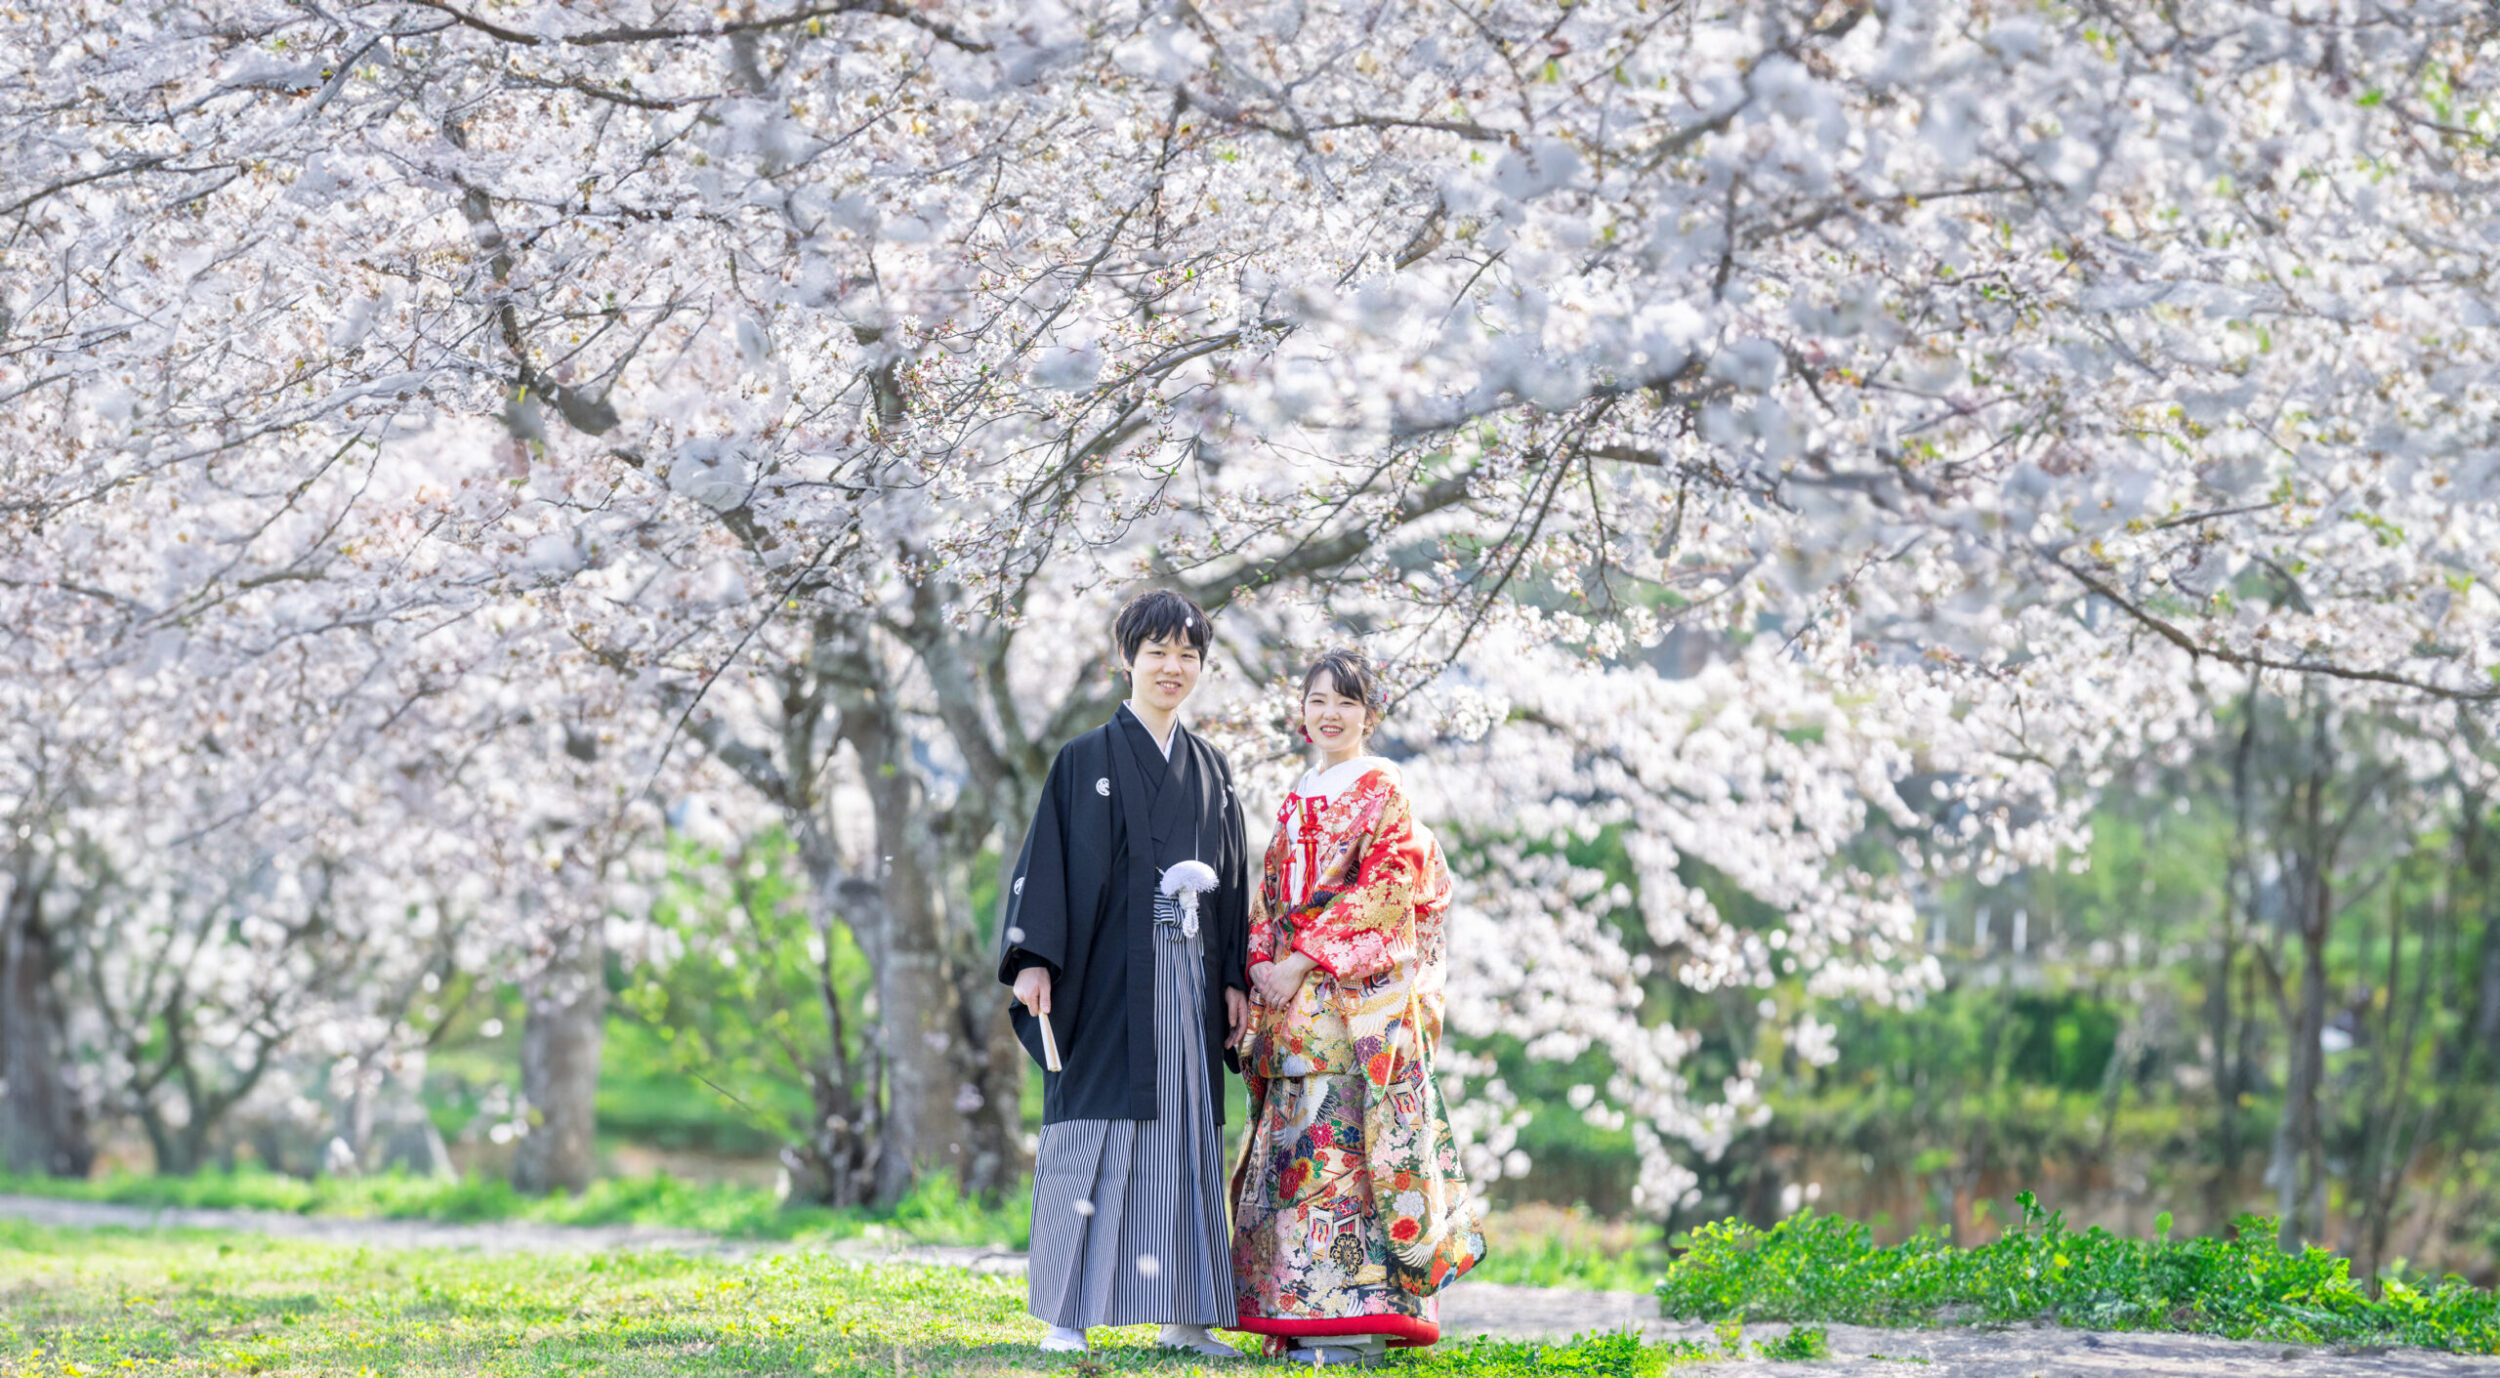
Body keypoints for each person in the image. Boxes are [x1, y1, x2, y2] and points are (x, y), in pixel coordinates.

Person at [997, 589, 1252, 1360]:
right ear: (1126, 660)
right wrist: (1034, 956)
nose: (1172, 667)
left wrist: (1236, 975)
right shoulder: (1084, 759)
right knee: (1093, 1125)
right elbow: (1046, 864)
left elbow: (1236, 877)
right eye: (1157, 653)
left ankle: (1187, 1312)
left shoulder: (1211, 767)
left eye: (1187, 655)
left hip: (1191, 972)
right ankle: (1067, 1312)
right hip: (1107, 972)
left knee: (1185, 1131)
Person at [1230, 649, 1485, 1365]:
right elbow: (1272, 893)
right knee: (1291, 1150)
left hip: (1348, 1000)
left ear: (1370, 713)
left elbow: (1389, 887)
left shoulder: (1384, 788)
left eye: (1346, 701)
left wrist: (1301, 960)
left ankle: (1357, 1319)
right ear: (1302, 710)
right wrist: (1259, 963)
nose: (1330, 714)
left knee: (1345, 1146)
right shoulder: (1298, 791)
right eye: (1318, 700)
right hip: (1289, 1001)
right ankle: (1291, 1309)